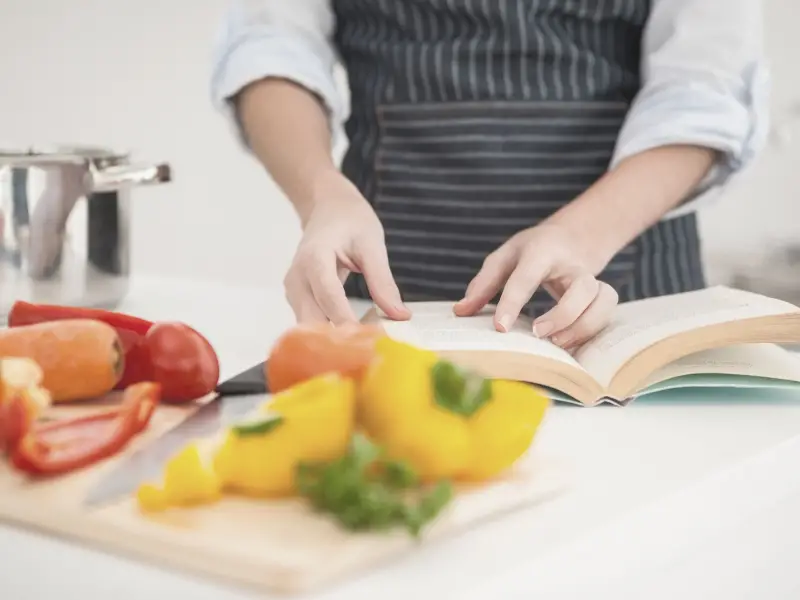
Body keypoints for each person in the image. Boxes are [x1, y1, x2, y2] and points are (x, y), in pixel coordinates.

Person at [210, 0, 768, 350]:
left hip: (629, 291)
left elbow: (705, 92)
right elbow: (271, 44)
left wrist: (581, 236)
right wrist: (321, 196)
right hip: (387, 303)